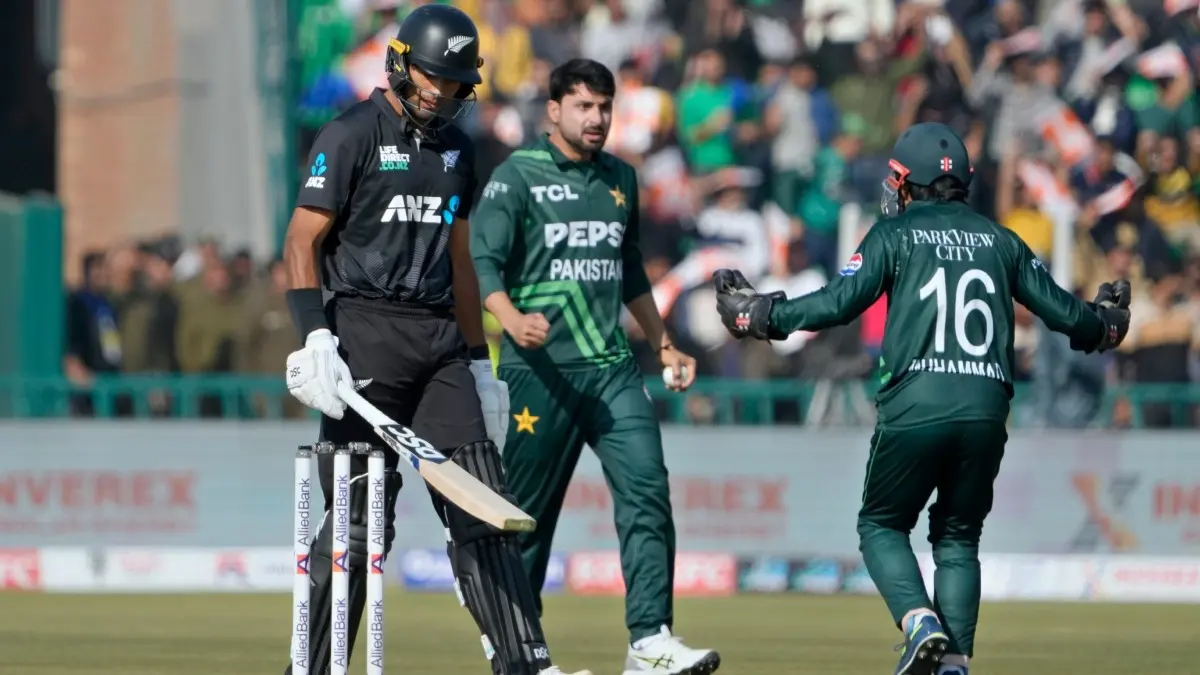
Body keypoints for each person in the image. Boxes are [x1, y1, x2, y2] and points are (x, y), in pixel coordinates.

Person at [711, 122, 1132, 675]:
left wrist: (760, 314)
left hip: (916, 402)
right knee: (958, 537)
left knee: (880, 525)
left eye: (896, 178)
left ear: (910, 182)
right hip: (986, 407)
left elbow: (838, 303)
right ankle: (954, 664)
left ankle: (918, 620)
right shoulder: (1001, 240)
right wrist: (1105, 322)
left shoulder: (895, 235)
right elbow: (1067, 315)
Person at [281, 6, 588, 675]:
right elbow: (301, 240)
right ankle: (307, 668)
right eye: (432, 78)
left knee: (483, 507)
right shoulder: (351, 133)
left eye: (455, 83)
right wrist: (314, 340)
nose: (442, 93)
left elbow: (462, 263)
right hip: (361, 336)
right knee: (360, 531)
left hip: (440, 341)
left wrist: (481, 364)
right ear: (399, 63)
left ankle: (527, 664)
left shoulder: (458, 150)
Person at [470, 58, 721, 675]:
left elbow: (629, 267)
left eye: (604, 107)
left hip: (611, 369)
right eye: (583, 106)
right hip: (539, 373)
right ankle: (516, 651)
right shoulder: (516, 176)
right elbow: (481, 262)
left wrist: (662, 343)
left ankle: (650, 641)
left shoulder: (620, 179)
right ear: (553, 110)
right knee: (525, 523)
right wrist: (508, 317)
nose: (597, 118)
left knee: (648, 492)